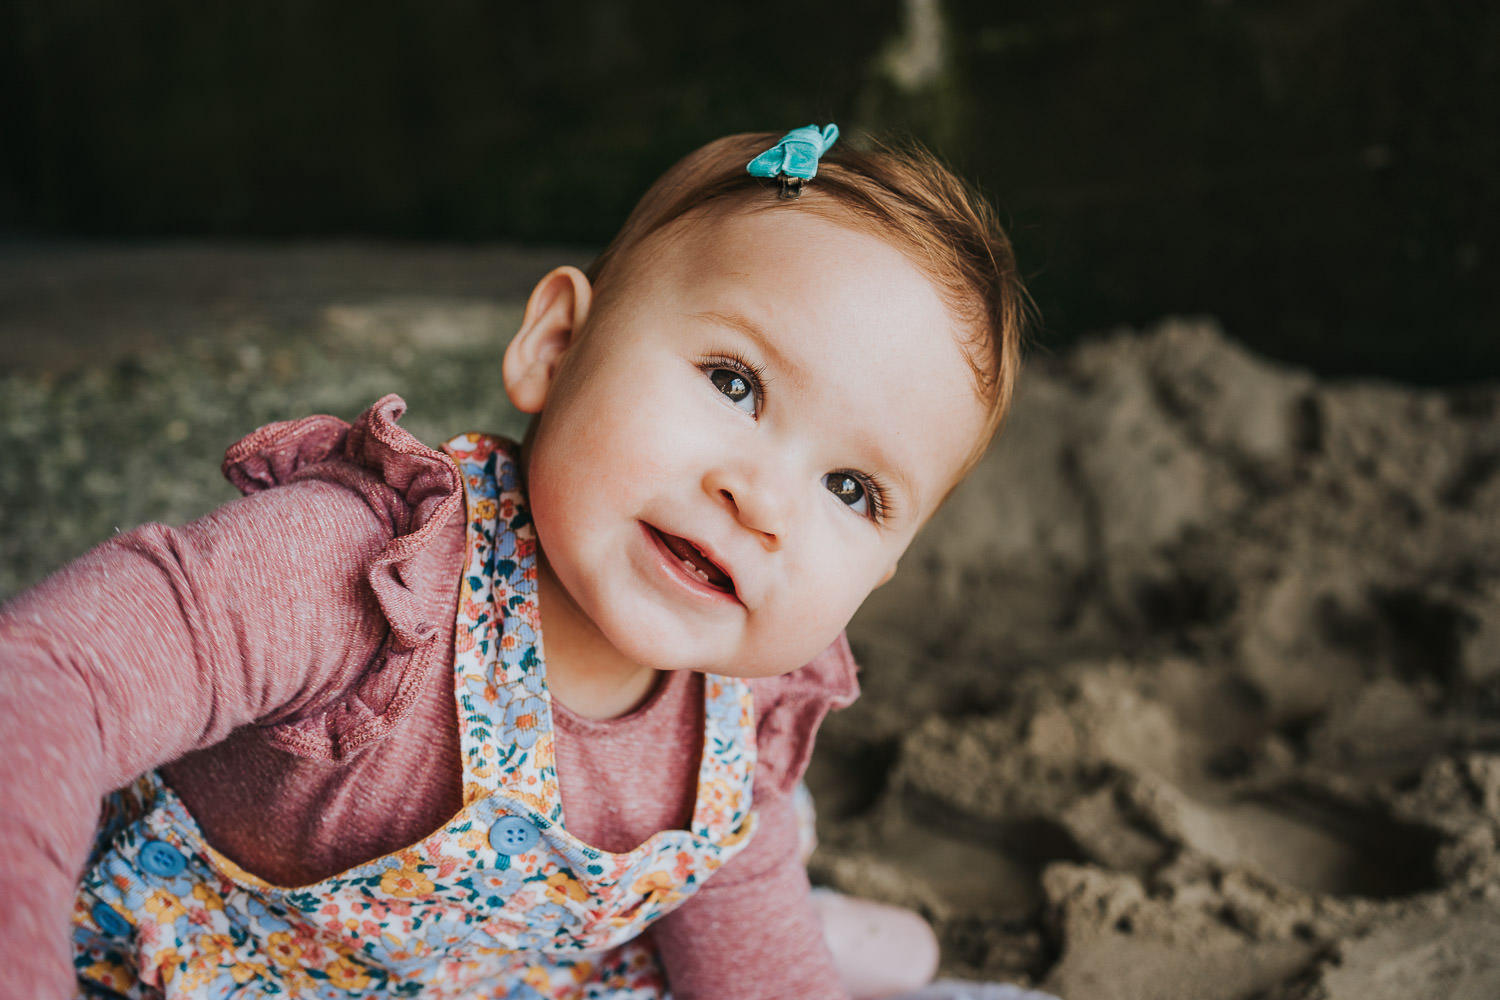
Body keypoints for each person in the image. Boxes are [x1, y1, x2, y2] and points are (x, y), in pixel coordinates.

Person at [0, 124, 1029, 999]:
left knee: (749, 885)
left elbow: (743, 938)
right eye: (734, 381)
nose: (760, 500)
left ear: (884, 569)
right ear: (556, 344)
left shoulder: (741, 710)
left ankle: (806, 901)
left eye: (852, 490)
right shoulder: (367, 572)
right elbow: (44, 688)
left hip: (504, 969)